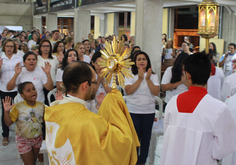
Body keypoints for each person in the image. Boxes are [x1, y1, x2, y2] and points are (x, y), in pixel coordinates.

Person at [45, 61, 139, 164]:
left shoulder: (52, 111)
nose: (95, 86)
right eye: (94, 82)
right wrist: (114, 103)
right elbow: (123, 143)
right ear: (85, 86)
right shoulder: (90, 121)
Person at [161, 52, 236, 165]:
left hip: (172, 159)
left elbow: (167, 134)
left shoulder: (172, 103)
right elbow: (226, 145)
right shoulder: (218, 108)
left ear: (188, 75)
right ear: (209, 74)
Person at [125, 51, 160, 165]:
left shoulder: (153, 75)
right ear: (135, 62)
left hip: (148, 112)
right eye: (139, 59)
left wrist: (148, 79)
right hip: (133, 111)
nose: (141, 61)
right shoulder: (130, 74)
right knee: (134, 139)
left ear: (147, 62)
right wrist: (140, 79)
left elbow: (155, 92)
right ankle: (133, 161)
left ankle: (142, 162)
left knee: (146, 140)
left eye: (144, 59)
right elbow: (128, 91)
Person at [3, 82, 45, 165]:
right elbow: (8, 123)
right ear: (22, 95)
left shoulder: (41, 106)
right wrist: (6, 111)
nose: (33, 92)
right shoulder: (18, 107)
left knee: (33, 161)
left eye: (34, 89)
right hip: (23, 140)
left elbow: (45, 121)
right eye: (28, 91)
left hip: (37, 138)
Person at [0, 39, 23, 146]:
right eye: (7, 46)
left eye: (11, 46)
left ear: (14, 48)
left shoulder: (18, 58)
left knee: (20, 111)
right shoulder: (1, 58)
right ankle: (5, 135)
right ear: (4, 47)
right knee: (5, 111)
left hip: (17, 88)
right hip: (4, 88)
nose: (9, 48)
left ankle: (21, 132)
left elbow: (22, 72)